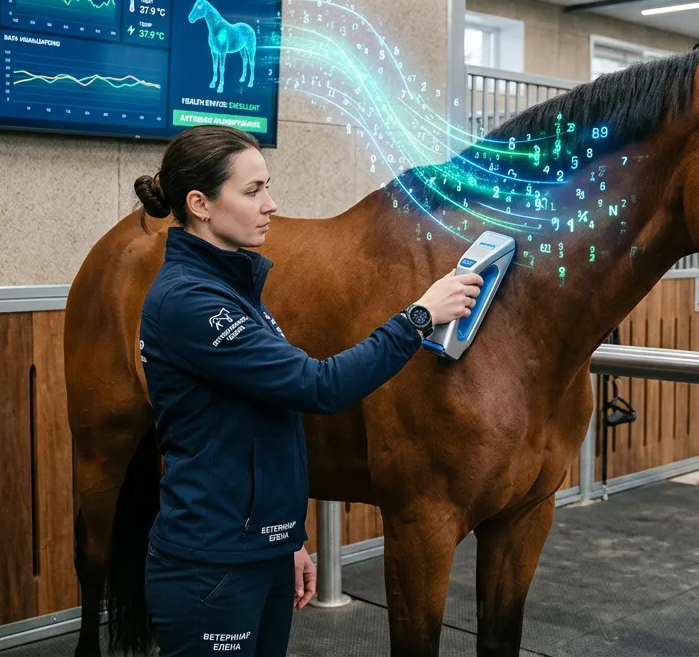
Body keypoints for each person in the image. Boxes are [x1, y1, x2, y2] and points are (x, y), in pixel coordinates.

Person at [131, 125, 484, 657]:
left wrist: (286, 538)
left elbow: (270, 426)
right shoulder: (191, 302)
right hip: (213, 565)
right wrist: (418, 318)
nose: (271, 205)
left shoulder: (234, 289)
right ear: (199, 203)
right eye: (252, 192)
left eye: (266, 187)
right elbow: (316, 386)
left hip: (259, 553)